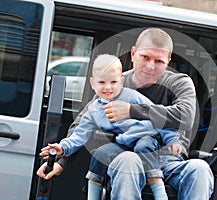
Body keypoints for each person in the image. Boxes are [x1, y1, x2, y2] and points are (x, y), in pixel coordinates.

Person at [37, 28, 214, 200]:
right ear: (133, 54)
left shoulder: (178, 82)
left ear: (168, 61)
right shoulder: (115, 83)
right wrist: (60, 161)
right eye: (145, 57)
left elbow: (185, 117)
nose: (150, 66)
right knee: (128, 160)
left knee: (200, 169)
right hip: (128, 156)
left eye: (158, 61)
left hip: (168, 160)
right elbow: (82, 124)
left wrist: (131, 111)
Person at [40, 54, 181, 200]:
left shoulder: (132, 97)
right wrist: (63, 147)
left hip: (146, 137)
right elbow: (79, 135)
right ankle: (92, 195)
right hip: (123, 144)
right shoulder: (94, 109)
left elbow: (158, 118)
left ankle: (159, 193)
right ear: (93, 83)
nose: (108, 87)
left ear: (121, 81)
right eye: (102, 82)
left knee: (143, 147)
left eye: (113, 82)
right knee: (99, 154)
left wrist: (172, 140)